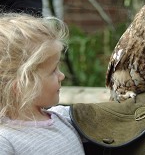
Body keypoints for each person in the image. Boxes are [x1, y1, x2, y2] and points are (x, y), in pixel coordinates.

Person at [0, 13, 85, 155]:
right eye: (53, 71)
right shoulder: (6, 141)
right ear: (21, 86)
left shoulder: (65, 118)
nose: (61, 75)